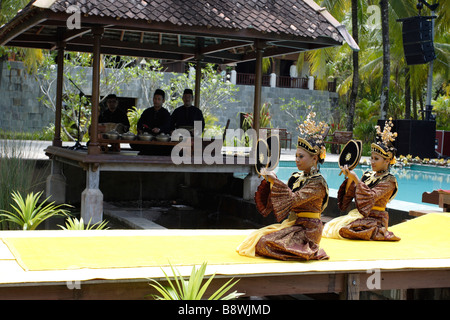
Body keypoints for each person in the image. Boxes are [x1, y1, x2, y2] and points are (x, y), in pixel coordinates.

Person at [237, 112, 329, 261]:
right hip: (295, 224)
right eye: (296, 156)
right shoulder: (296, 177)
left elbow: (293, 200)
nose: (297, 160)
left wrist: (275, 182)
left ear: (314, 158)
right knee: (256, 238)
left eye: (301, 156)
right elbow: (282, 196)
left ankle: (308, 250)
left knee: (264, 243)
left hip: (309, 230)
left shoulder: (318, 183)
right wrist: (271, 181)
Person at [322, 119, 400, 241]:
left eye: (376, 159)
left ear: (387, 160)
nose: (372, 162)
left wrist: (356, 179)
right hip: (358, 216)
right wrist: (349, 178)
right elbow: (350, 195)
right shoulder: (368, 175)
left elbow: (370, 197)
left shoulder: (389, 181)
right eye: (371, 158)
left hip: (376, 220)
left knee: (344, 230)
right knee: (330, 227)